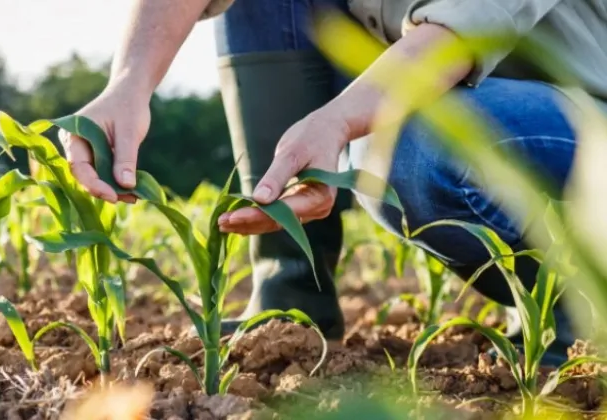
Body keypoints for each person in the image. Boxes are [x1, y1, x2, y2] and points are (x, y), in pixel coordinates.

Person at [60, 0, 607, 365]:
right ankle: (291, 298)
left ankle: (585, 313)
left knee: (406, 147)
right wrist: (130, 83)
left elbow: (456, 34)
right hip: (464, 101)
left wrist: (339, 122)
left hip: (583, 119)